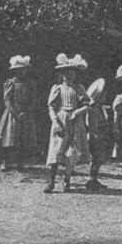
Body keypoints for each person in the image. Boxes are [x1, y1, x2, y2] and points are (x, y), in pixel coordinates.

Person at [45, 54, 90, 193]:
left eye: (73, 73)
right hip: (61, 120)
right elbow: (51, 107)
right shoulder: (57, 88)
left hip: (75, 120)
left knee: (72, 151)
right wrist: (55, 121)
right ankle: (51, 182)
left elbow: (87, 104)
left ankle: (67, 180)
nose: (70, 76)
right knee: (56, 150)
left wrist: (78, 112)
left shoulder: (79, 88)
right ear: (62, 74)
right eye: (68, 73)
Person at [0, 55, 38, 171]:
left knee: (23, 138)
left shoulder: (30, 83)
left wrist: (27, 111)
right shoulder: (11, 82)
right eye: (19, 69)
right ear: (15, 70)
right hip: (12, 112)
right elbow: (7, 99)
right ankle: (5, 162)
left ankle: (20, 162)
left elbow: (33, 99)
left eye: (23, 69)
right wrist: (14, 113)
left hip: (25, 112)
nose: (21, 71)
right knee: (9, 137)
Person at [84, 78, 111, 191]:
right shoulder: (93, 110)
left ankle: (94, 179)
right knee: (96, 158)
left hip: (100, 135)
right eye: (103, 95)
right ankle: (91, 179)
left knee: (98, 159)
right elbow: (92, 125)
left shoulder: (100, 109)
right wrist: (98, 135)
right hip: (96, 136)